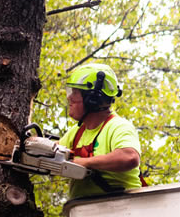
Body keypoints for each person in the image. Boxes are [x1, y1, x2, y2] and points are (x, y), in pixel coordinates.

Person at [59, 63, 142, 199]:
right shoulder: (78, 131)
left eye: (75, 92)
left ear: (92, 99)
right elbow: (55, 152)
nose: (69, 97)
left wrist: (84, 162)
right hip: (84, 212)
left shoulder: (117, 126)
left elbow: (130, 157)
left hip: (123, 208)